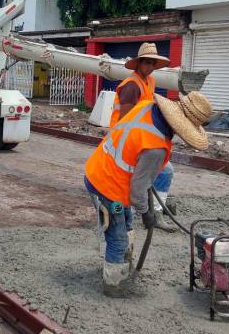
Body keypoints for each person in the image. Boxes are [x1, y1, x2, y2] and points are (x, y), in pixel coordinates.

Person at [84, 91, 213, 297]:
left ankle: (123, 266)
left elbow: (133, 154)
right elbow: (137, 192)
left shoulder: (146, 106)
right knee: (117, 237)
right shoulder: (155, 148)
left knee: (126, 223)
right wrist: (147, 213)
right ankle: (113, 285)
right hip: (106, 186)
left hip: (101, 169)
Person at [111, 42, 175, 229]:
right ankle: (128, 218)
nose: (150, 67)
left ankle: (154, 212)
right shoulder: (131, 86)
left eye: (152, 63)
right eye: (147, 62)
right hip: (124, 141)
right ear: (138, 63)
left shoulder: (150, 81)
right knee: (132, 179)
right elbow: (125, 121)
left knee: (164, 171)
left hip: (140, 139)